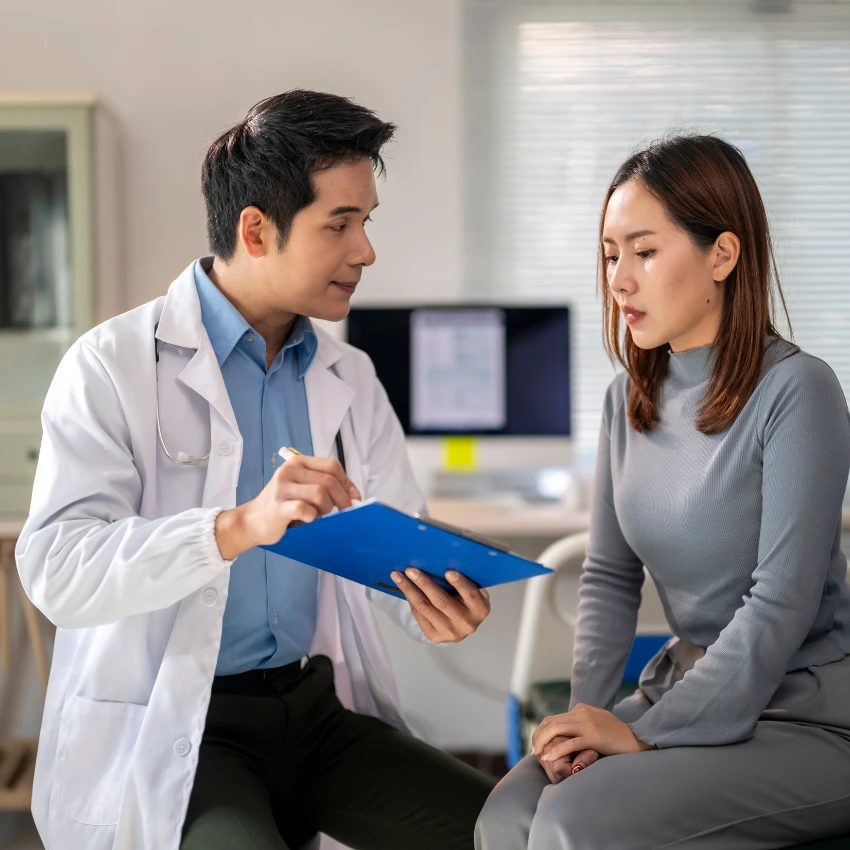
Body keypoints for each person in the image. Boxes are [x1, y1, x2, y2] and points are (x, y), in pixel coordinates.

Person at [16, 90, 495, 850]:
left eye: (365, 222)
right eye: (339, 224)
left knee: (523, 833)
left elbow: (394, 551)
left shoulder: (350, 376)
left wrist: (440, 596)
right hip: (184, 724)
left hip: (315, 714)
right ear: (256, 230)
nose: (364, 250)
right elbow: (58, 570)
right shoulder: (112, 366)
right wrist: (237, 527)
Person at [476, 134, 850, 849]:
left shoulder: (799, 391)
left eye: (643, 252)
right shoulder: (627, 400)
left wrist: (643, 733)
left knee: (572, 822)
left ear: (722, 255)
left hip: (804, 711)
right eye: (611, 254)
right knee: (506, 814)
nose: (618, 281)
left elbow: (782, 601)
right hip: (683, 687)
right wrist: (585, 724)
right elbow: (610, 579)